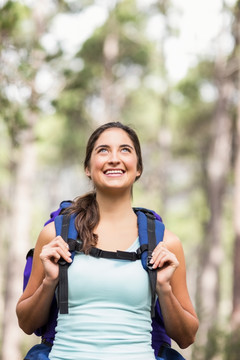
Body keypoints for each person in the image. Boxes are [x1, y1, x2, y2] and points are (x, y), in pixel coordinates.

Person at [16, 121, 199, 360]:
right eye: (103, 150)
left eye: (125, 150)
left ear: (138, 168)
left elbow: (186, 337)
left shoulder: (164, 242)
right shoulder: (55, 234)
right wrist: (49, 281)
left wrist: (164, 289)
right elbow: (27, 323)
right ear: (88, 168)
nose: (114, 158)